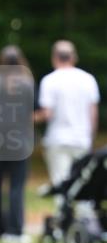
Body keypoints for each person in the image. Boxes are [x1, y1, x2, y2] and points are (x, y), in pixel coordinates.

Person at [0, 45, 35, 243]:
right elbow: (33, 113)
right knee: (16, 186)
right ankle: (15, 231)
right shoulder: (27, 84)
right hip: (20, 143)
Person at [34, 40, 100, 188]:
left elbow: (47, 114)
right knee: (83, 185)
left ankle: (64, 211)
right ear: (73, 57)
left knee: (61, 185)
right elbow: (93, 114)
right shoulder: (88, 80)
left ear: (54, 57)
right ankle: (85, 212)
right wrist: (90, 137)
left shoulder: (49, 81)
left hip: (57, 140)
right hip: (81, 139)